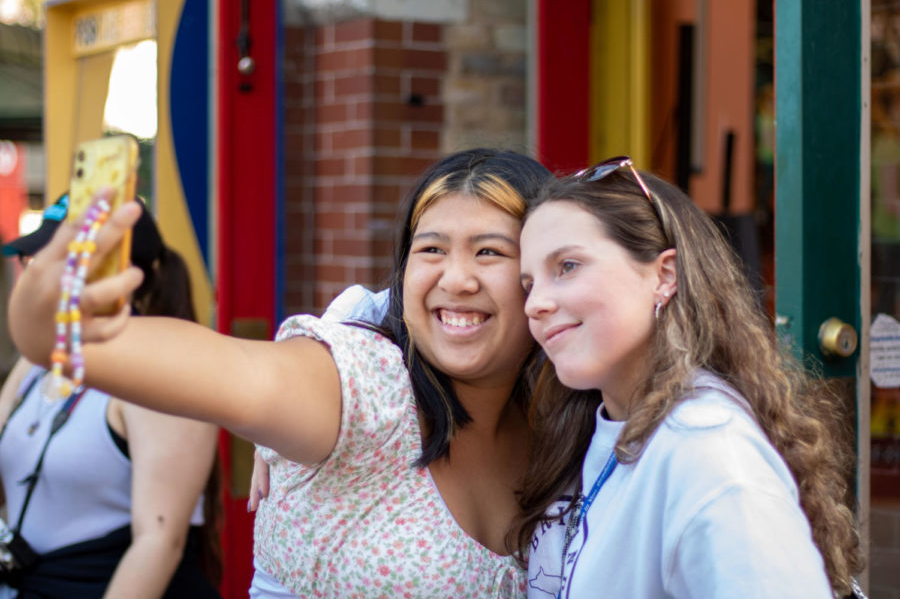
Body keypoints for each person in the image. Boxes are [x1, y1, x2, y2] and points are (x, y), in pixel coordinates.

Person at [7, 150, 554, 598]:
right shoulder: (366, 385)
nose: (456, 277)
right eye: (430, 248)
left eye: (490, 252)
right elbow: (239, 375)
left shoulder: (564, 415)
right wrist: (51, 326)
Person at [514, 158, 864, 599]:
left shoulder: (706, 447)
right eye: (528, 284)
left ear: (664, 275)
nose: (535, 304)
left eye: (567, 266)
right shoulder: (593, 427)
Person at [0, 194, 222, 598]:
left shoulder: (161, 369)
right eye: (29, 263)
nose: (32, 279)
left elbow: (160, 543)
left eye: (49, 265)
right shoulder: (38, 355)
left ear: (109, 270)